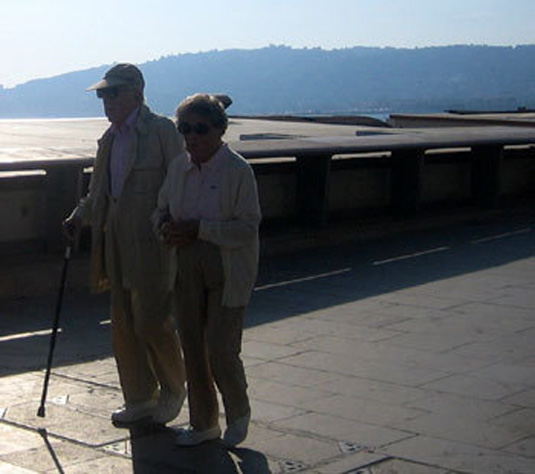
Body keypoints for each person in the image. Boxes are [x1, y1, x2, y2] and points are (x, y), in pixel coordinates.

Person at [63, 63, 187, 425]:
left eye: (113, 92)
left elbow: (179, 180)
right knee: (123, 322)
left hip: (153, 239)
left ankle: (174, 388)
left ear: (137, 92)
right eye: (103, 94)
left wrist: (170, 222)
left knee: (152, 319)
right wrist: (78, 216)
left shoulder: (162, 130)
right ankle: (139, 397)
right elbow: (98, 191)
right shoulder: (110, 139)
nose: (106, 100)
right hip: (115, 238)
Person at [153, 93, 261, 446]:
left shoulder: (237, 171)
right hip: (185, 263)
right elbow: (161, 208)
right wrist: (165, 226)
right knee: (193, 347)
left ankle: (239, 411)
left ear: (219, 130)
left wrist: (200, 229)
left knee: (220, 348)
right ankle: (203, 423)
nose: (192, 137)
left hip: (226, 268)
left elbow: (247, 227)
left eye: (200, 129)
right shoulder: (178, 167)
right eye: (185, 129)